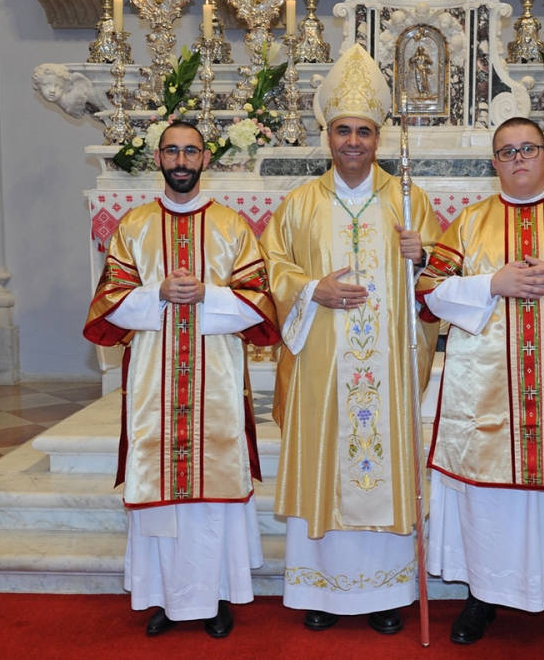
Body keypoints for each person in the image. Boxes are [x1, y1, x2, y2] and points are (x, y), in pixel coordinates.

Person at [418, 117, 544, 650]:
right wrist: (492, 283)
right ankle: (482, 594)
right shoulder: (469, 222)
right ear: (494, 162)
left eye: (527, 148)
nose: (518, 159)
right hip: (487, 391)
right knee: (490, 499)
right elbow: (430, 291)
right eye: (506, 152)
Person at [259, 43, 441, 635]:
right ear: (327, 135)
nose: (354, 142)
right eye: (343, 131)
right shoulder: (300, 204)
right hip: (321, 363)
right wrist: (313, 290)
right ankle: (325, 590)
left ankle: (386, 593)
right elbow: (271, 271)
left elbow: (442, 278)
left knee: (383, 465)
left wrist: (424, 255)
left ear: (378, 138)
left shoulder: (409, 201)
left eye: (364, 131)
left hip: (386, 367)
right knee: (324, 460)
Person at [84, 120, 280, 639]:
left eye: (190, 151)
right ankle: (166, 597)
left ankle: (215, 596)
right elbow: (107, 301)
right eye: (172, 150)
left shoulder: (234, 227)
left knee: (212, 489)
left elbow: (261, 301)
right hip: (153, 381)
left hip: (215, 379)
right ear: (158, 159)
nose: (181, 160)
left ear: (206, 159)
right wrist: (158, 293)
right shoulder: (135, 226)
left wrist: (207, 296)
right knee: (161, 492)